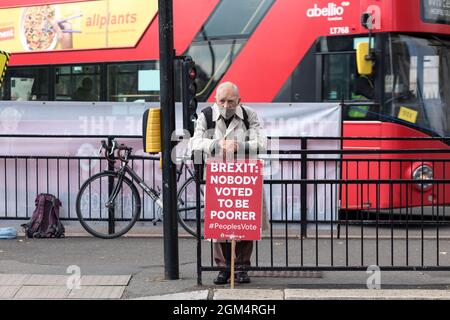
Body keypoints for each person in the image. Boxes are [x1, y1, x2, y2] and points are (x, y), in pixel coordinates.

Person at [190, 81, 268, 285]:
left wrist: (239, 145)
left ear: (239, 101)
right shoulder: (206, 116)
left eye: (231, 101)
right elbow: (195, 141)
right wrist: (217, 144)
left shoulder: (250, 115)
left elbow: (262, 143)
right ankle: (223, 268)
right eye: (222, 101)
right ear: (215, 100)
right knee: (219, 224)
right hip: (219, 178)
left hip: (245, 177)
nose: (226, 105)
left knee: (246, 222)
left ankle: (242, 268)